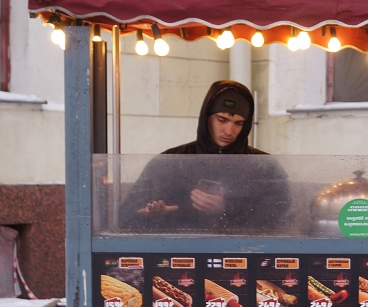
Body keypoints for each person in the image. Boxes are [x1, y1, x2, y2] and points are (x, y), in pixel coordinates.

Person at [118, 80, 291, 233]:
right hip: (180, 259)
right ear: (206, 117)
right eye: (222, 120)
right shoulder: (171, 162)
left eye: (239, 123)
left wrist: (225, 209)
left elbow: (280, 219)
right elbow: (126, 218)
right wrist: (153, 215)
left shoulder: (263, 166)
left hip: (243, 258)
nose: (229, 131)